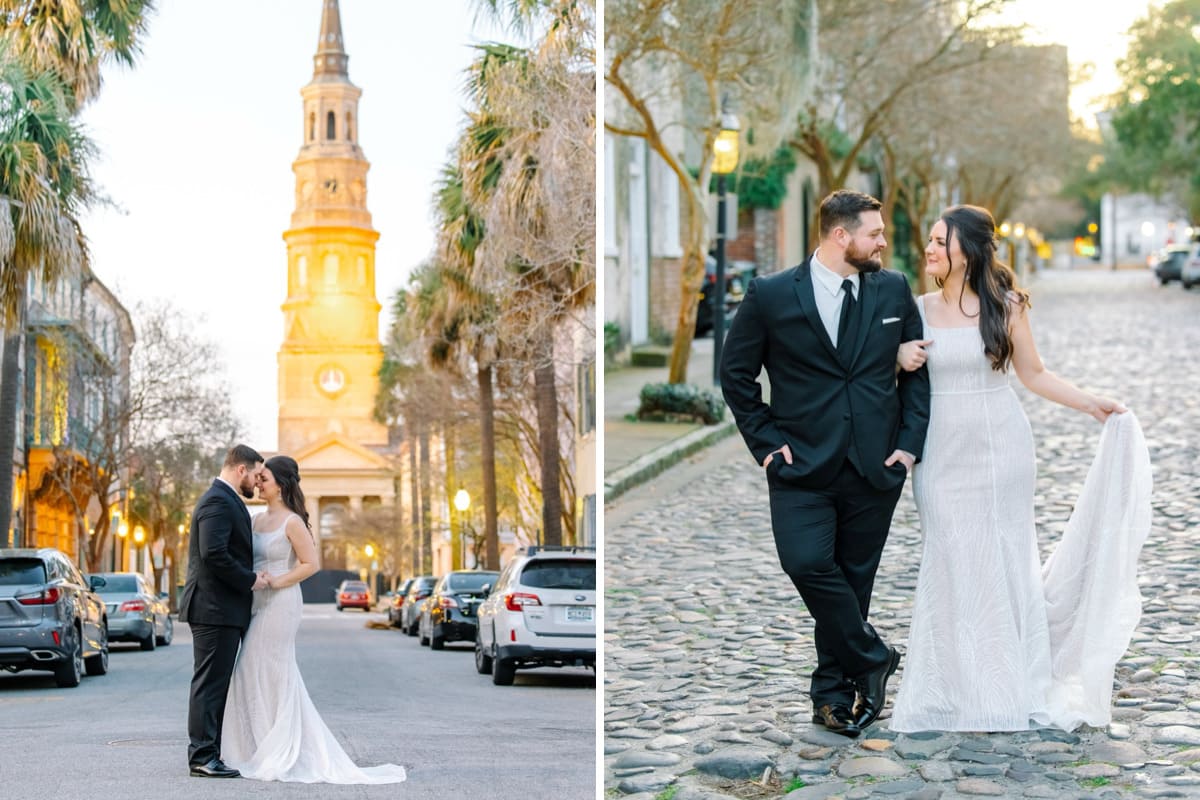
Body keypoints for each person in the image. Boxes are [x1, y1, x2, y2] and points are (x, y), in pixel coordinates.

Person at [889, 203, 1150, 732]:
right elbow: (883, 377)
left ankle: (1008, 682)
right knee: (950, 554)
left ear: (969, 249)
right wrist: (896, 359)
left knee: (1002, 558)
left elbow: (1034, 374)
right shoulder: (916, 308)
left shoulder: (1007, 306)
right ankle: (952, 688)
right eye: (931, 241)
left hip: (1001, 446)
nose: (931, 249)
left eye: (941, 241)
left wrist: (1092, 403)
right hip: (941, 451)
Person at [720, 189, 931, 738]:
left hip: (874, 466)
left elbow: (918, 374)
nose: (883, 241)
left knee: (853, 584)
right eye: (874, 233)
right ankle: (873, 656)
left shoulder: (892, 288)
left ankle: (833, 696)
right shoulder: (770, 295)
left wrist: (908, 445)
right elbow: (736, 376)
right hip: (800, 466)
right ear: (841, 236)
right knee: (808, 564)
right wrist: (766, 444)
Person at [221, 455, 406, 783]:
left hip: (281, 602)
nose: (258, 482)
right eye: (258, 477)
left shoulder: (292, 521)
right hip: (257, 601)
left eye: (264, 478)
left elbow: (311, 563)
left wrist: (276, 582)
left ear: (281, 484)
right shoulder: (256, 519)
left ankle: (278, 748)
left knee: (267, 668)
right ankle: (257, 745)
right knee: (253, 671)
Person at [179, 444, 269, 778]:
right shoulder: (218, 500)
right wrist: (250, 580)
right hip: (213, 609)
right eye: (256, 475)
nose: (257, 483)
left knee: (214, 683)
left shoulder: (225, 499)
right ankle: (202, 757)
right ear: (241, 470)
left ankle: (208, 752)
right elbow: (213, 554)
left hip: (221, 610)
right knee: (210, 684)